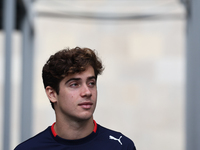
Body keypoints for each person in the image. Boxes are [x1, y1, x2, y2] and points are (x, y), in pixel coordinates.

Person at [14, 47, 136, 150]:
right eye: (74, 84)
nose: (87, 92)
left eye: (91, 83)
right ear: (52, 94)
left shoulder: (121, 146)